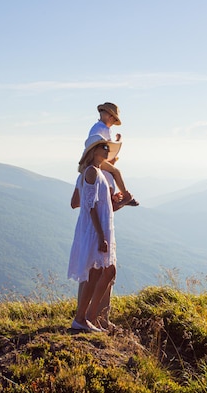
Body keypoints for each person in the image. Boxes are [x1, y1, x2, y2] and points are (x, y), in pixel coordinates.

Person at [68, 134, 122, 332]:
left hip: (99, 228)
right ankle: (82, 318)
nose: (107, 151)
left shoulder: (98, 173)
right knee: (95, 272)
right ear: (94, 151)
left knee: (103, 271)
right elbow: (89, 207)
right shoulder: (91, 172)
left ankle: (86, 318)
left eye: (108, 148)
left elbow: (99, 207)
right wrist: (100, 236)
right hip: (94, 229)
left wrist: (120, 202)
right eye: (104, 148)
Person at [89, 102, 139, 206]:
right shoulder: (104, 129)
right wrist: (118, 141)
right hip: (98, 159)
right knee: (116, 172)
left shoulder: (95, 127)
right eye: (114, 119)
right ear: (109, 116)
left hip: (90, 158)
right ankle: (126, 196)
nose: (113, 122)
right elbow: (109, 150)